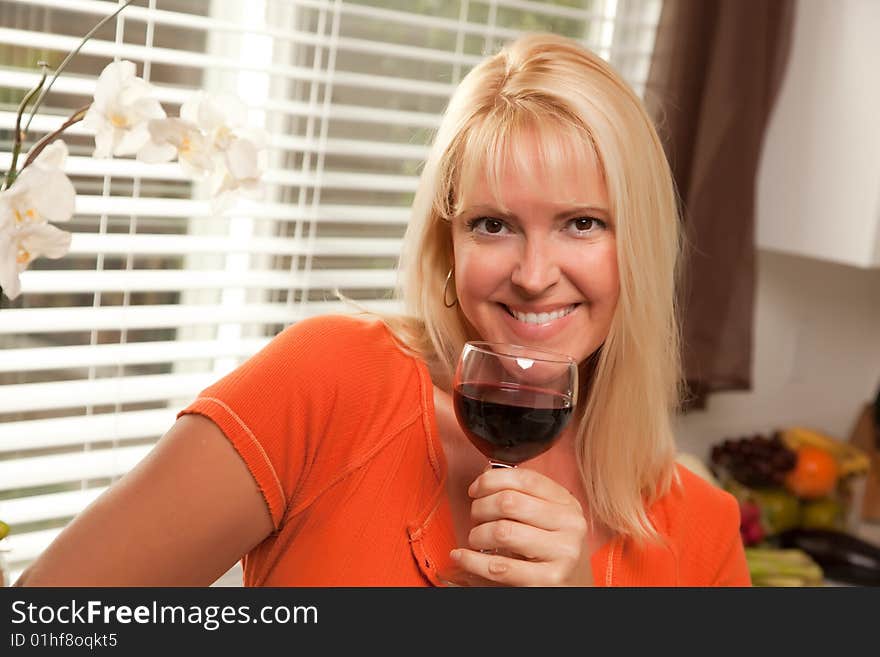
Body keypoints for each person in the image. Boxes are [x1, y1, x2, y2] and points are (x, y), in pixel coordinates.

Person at [15, 33, 750, 587]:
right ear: (448, 242)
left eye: (582, 223)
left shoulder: (702, 533)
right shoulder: (332, 381)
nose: (532, 275)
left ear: (642, 249)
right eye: (491, 224)